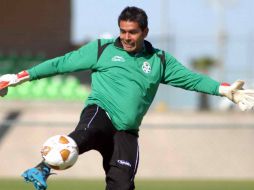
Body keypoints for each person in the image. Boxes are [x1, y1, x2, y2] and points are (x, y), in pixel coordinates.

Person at [0, 6, 254, 190]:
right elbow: (61, 64)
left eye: (132, 32)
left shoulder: (159, 60)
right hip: (101, 112)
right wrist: (21, 76)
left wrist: (224, 89)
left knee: (122, 185)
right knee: (85, 134)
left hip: (127, 132)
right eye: (122, 31)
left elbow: (192, 79)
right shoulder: (102, 49)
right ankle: (42, 168)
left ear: (145, 31)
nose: (126, 37)